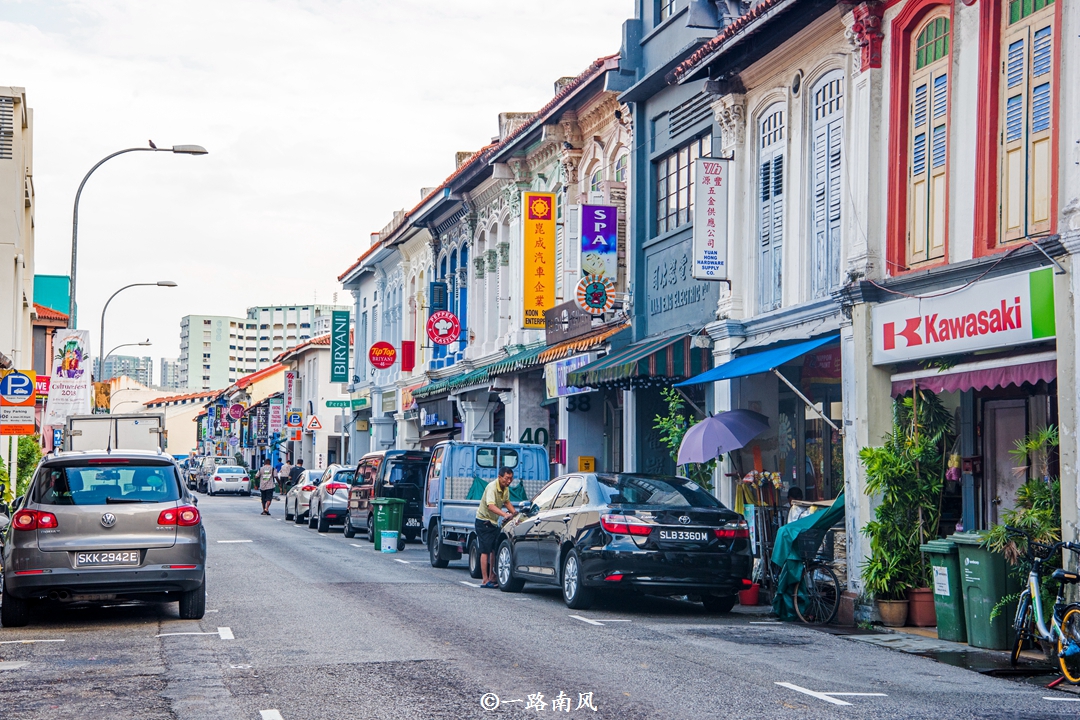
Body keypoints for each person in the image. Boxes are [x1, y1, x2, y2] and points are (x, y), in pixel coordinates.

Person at [475, 467, 517, 588]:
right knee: (485, 550)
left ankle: (492, 576)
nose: (509, 481)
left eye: (511, 479)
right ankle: (485, 580)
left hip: (493, 522)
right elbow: (491, 506)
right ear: (499, 477)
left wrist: (514, 514)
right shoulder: (492, 487)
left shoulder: (505, 488)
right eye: (506, 478)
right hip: (483, 522)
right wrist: (504, 514)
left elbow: (506, 502)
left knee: (494, 549)